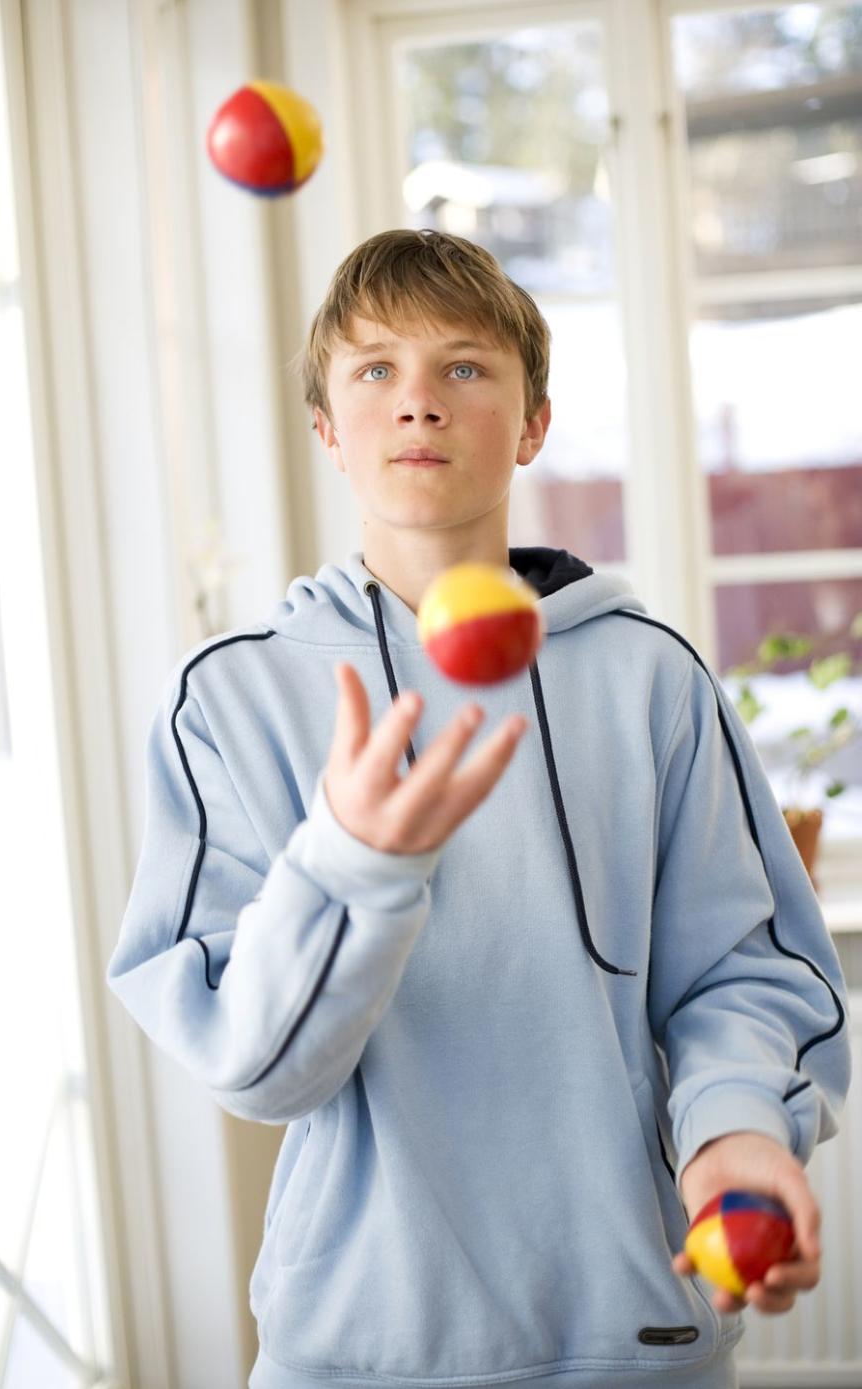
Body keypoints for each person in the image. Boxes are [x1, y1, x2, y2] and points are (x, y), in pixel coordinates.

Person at [106, 229, 852, 1389]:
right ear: (327, 433)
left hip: (639, 1335)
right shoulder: (229, 697)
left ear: (534, 422)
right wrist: (350, 861)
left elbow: (744, 973)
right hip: (358, 1350)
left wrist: (741, 1133)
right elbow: (257, 1070)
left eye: (462, 368)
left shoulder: (651, 674)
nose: (418, 405)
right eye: (375, 372)